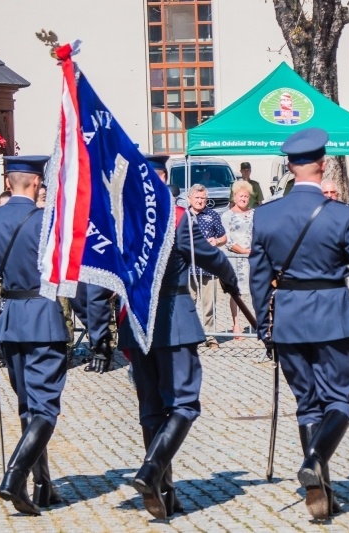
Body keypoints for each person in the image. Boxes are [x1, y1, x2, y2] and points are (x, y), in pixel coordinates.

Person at [250, 128, 349, 520]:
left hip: (288, 320)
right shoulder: (340, 216)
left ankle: (320, 495)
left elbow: (258, 280)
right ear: (323, 165)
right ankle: (314, 460)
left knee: (308, 405)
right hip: (333, 318)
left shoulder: (265, 215)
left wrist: (264, 327)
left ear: (289, 166)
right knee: (340, 398)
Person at [119, 164, 239, 520]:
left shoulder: (123, 220)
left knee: (152, 408)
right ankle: (151, 471)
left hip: (138, 321)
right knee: (185, 403)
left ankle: (163, 492)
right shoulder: (176, 218)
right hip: (173, 319)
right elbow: (210, 256)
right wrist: (229, 276)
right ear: (165, 183)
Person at [0, 156, 67, 516]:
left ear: (10, 182)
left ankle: (43, 485)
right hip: (42, 315)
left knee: (29, 406)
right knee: (45, 406)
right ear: (34, 183)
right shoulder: (48, 220)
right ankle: (15, 476)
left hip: (9, 320)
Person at [187, 184, 227, 348]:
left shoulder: (212, 215)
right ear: (190, 198)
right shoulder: (183, 216)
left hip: (208, 268)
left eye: (203, 198)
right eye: (197, 198)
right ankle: (190, 336)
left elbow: (223, 237)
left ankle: (210, 336)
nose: (200, 201)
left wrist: (216, 241)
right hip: (187, 268)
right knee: (189, 304)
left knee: (209, 304)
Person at [221, 180, 254, 339]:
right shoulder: (227, 215)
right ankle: (236, 324)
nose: (243, 199)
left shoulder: (254, 213)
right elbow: (226, 238)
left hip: (252, 258)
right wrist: (242, 250)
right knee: (236, 293)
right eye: (241, 196)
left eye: (246, 196)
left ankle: (259, 322)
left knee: (256, 290)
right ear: (234, 197)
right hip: (235, 257)